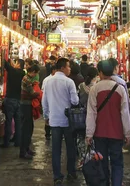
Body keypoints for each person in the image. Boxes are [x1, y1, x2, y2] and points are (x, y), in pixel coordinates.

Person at [86, 60, 130, 186]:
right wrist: (127, 133)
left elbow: (91, 113)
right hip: (116, 134)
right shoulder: (120, 89)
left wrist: (89, 134)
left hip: (99, 133)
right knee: (117, 163)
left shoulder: (94, 89)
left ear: (100, 72)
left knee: (102, 162)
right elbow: (125, 113)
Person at [42, 57, 79, 185]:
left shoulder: (47, 81)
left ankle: (57, 176)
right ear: (63, 68)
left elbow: (44, 101)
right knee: (70, 147)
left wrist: (46, 116)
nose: (70, 69)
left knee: (56, 149)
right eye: (68, 66)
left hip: (54, 120)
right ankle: (71, 172)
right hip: (67, 120)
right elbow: (75, 101)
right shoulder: (69, 82)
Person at [20, 62, 41, 159]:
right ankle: (23, 151)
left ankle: (27, 148)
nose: (36, 75)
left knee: (30, 127)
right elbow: (32, 93)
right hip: (25, 106)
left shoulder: (27, 79)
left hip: (27, 105)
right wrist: (39, 93)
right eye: (35, 73)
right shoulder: (27, 80)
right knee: (26, 129)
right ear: (32, 72)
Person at [2, 58, 25, 148]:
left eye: (16, 63)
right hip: (19, 100)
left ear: (18, 64)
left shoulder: (12, 71)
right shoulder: (22, 73)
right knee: (18, 122)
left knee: (8, 121)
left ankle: (6, 142)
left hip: (10, 99)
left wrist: (8, 60)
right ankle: (18, 142)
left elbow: (5, 63)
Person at [42, 64, 56, 140]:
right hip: (48, 101)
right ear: (53, 71)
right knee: (47, 118)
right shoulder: (47, 79)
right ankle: (47, 134)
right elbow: (43, 91)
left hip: (54, 102)